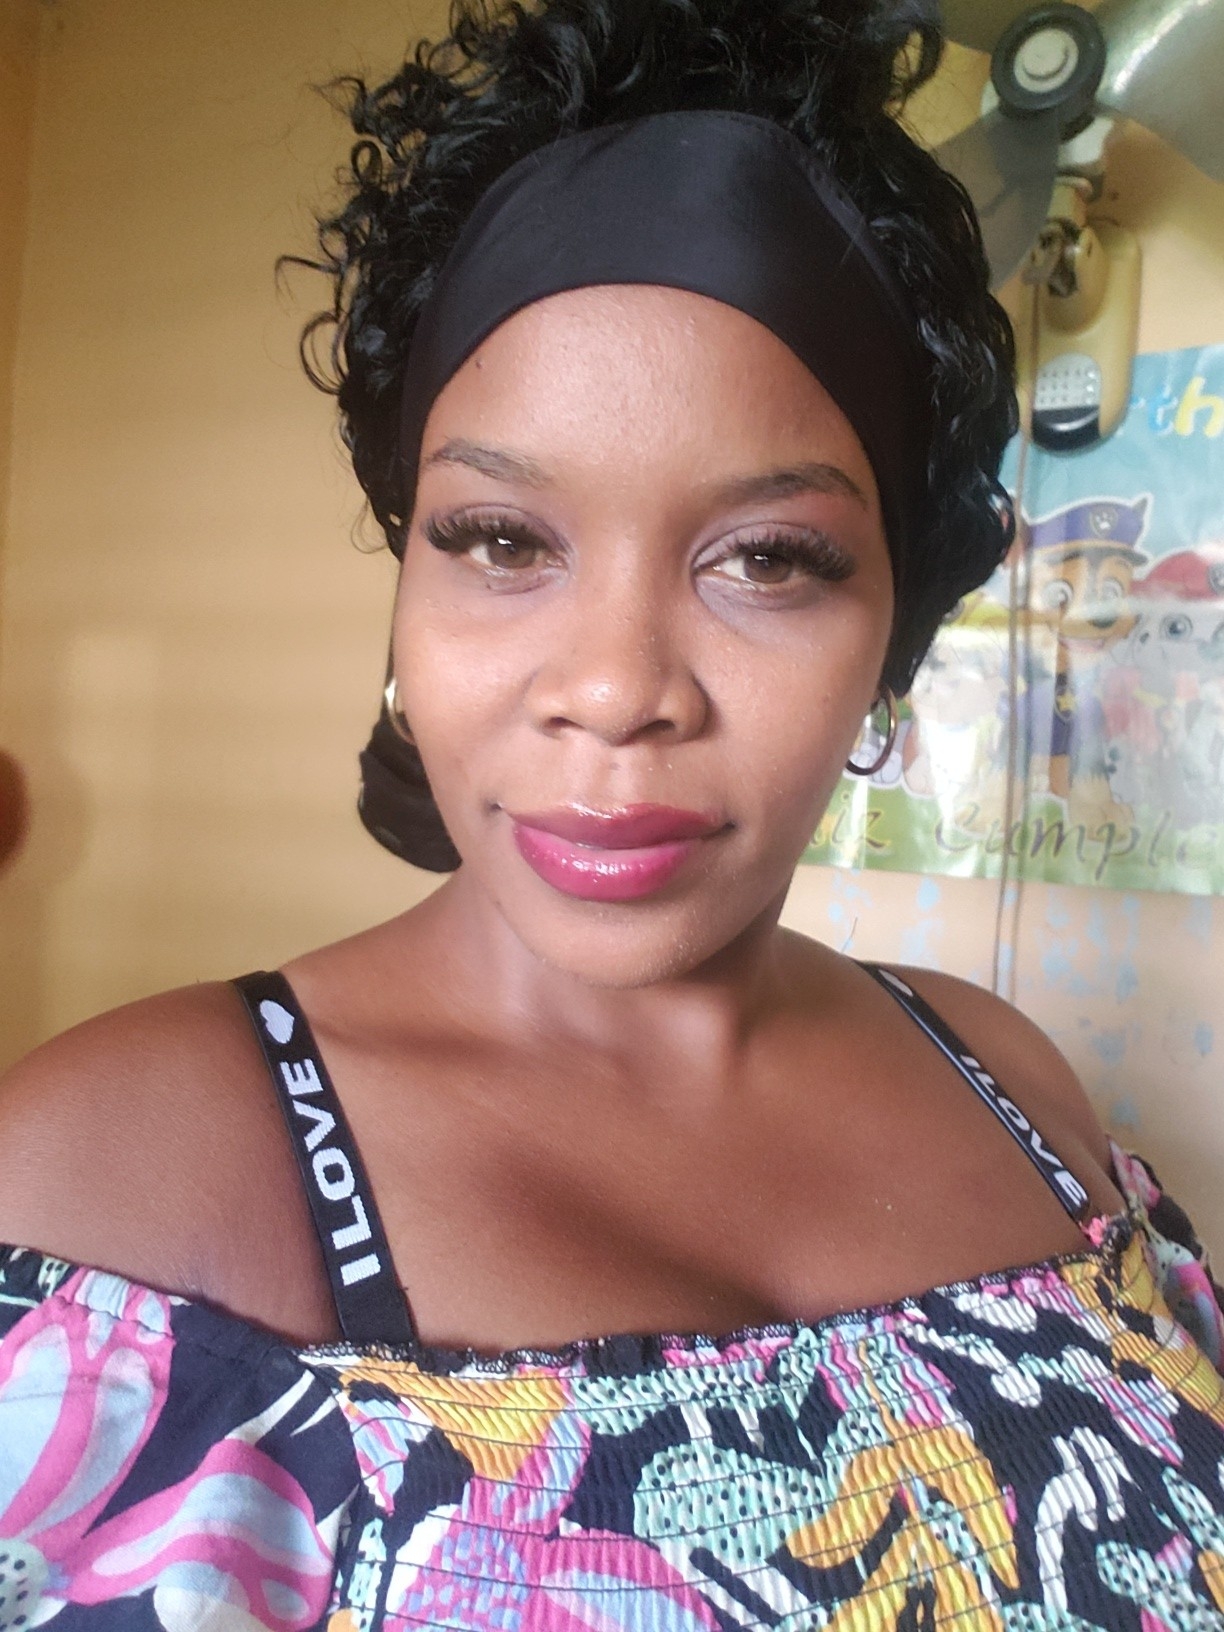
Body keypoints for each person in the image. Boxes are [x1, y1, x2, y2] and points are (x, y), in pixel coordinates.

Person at [1, 2, 1222, 1627]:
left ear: (894, 636)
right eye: (503, 540)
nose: (614, 688)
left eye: (768, 558)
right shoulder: (109, 1187)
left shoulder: (1008, 1081)